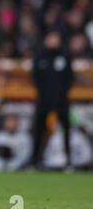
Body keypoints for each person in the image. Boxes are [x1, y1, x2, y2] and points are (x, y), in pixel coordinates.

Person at [31, 31, 74, 170]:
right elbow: (35, 78)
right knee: (38, 130)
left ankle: (68, 161)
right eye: (50, 38)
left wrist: (62, 94)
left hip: (61, 100)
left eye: (55, 38)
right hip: (44, 100)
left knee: (66, 130)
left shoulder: (65, 56)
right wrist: (43, 94)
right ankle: (34, 161)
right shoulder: (40, 57)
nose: (53, 41)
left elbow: (70, 78)